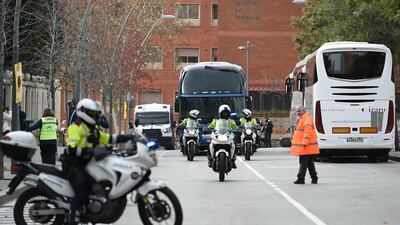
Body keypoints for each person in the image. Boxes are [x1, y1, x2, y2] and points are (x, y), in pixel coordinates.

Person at [64, 98, 135, 225]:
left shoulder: (92, 129)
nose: (95, 116)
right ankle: (72, 219)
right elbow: (71, 149)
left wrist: (128, 137)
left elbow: (107, 138)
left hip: (87, 164)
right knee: (82, 191)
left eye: (95, 114)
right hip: (74, 165)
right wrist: (87, 152)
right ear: (83, 113)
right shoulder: (76, 127)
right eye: (92, 114)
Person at [291, 105, 319, 184]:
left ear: (303, 110)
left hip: (306, 146)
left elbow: (308, 131)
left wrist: (304, 142)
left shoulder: (306, 119)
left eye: (299, 111)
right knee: (309, 163)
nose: (298, 113)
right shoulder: (303, 119)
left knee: (303, 163)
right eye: (297, 111)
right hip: (307, 146)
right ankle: (314, 178)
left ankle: (301, 178)